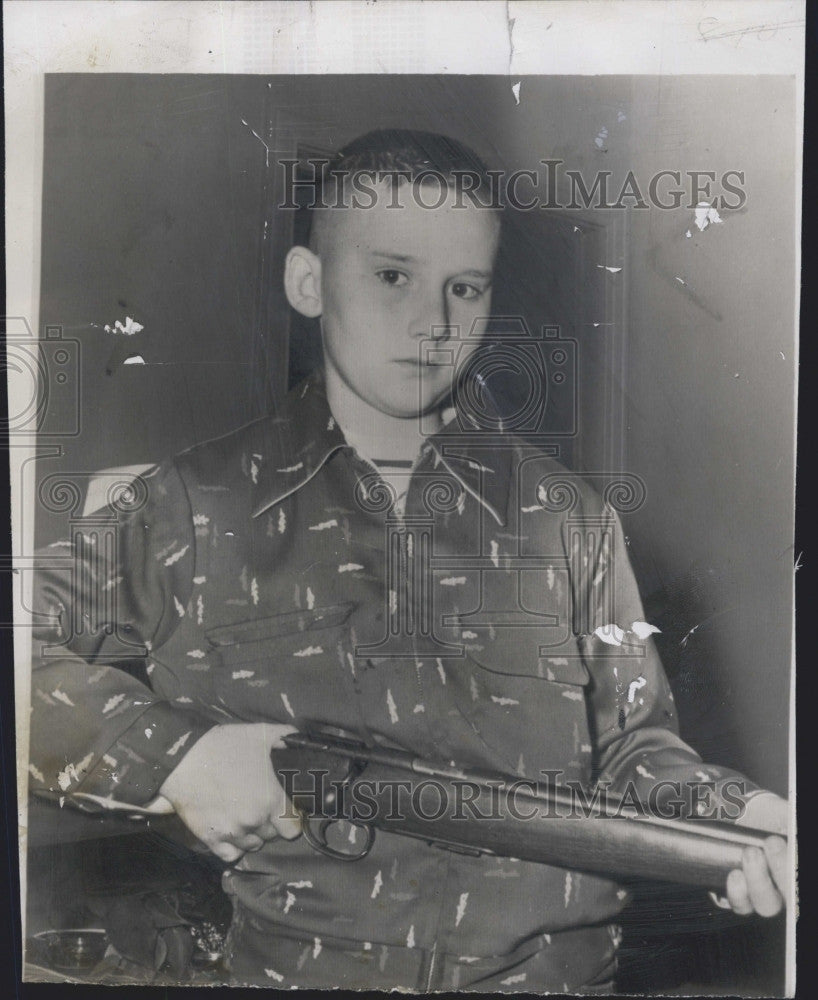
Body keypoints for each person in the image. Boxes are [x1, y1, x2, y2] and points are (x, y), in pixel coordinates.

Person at [29, 129, 790, 991]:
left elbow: (635, 752)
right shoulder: (191, 507)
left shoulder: (569, 518)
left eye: (464, 287)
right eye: (392, 276)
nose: (434, 324)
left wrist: (744, 818)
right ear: (308, 283)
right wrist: (179, 759)